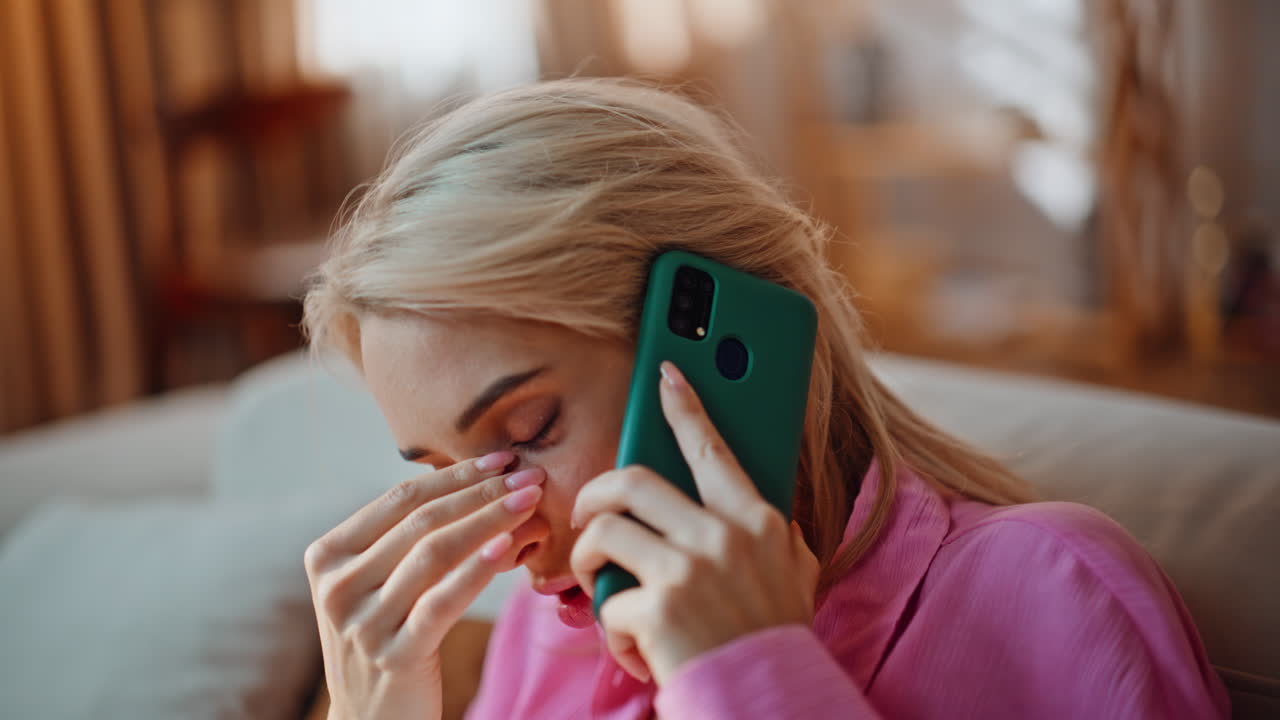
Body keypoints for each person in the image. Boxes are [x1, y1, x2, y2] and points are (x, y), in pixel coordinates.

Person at [299, 77, 1230, 719]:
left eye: (529, 429)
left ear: (708, 340)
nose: (503, 540)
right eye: (441, 476)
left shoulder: (1056, 595)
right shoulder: (544, 646)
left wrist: (750, 677)